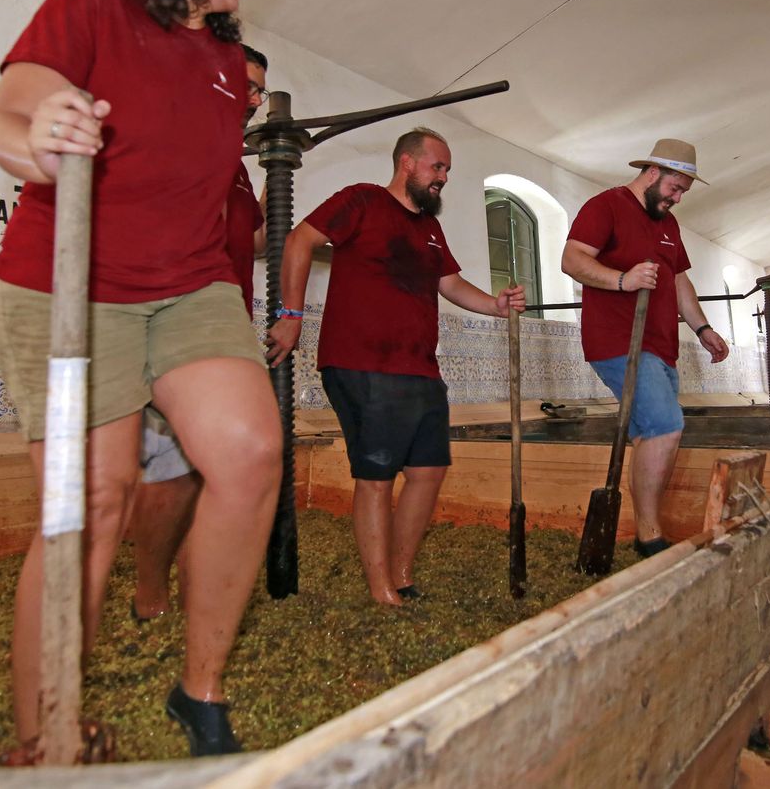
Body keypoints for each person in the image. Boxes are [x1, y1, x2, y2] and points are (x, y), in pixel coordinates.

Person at [0, 0, 282, 760]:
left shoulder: (228, 66)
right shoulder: (91, 1)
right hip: (71, 286)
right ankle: (44, 734)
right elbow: (9, 112)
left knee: (251, 451)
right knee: (93, 499)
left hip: (189, 288)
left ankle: (200, 688)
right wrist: (42, 132)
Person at [265, 127, 526, 606]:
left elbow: (450, 284)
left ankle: (402, 574)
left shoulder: (429, 228)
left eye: (446, 169)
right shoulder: (361, 201)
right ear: (408, 162)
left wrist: (495, 305)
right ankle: (381, 587)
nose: (443, 177)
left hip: (420, 369)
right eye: (438, 166)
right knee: (377, 475)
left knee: (428, 472)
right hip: (362, 363)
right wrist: (291, 315)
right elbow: (300, 240)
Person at [127, 45, 270, 624]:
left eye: (261, 90)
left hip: (222, 327)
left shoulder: (234, 165)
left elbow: (251, 243)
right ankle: (149, 589)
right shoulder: (165, 131)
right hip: (160, 321)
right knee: (174, 465)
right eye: (248, 84)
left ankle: (192, 575)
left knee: (214, 463)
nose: (256, 100)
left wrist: (275, 192)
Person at [561, 139, 729, 558]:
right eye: (674, 188)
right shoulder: (607, 206)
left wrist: (702, 327)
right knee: (665, 426)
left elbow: (678, 280)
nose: (676, 198)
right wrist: (622, 279)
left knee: (649, 434)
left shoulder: (668, 224)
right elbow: (572, 259)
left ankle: (641, 526)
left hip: (661, 345)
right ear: (652, 173)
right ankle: (649, 535)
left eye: (683, 193)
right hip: (618, 341)